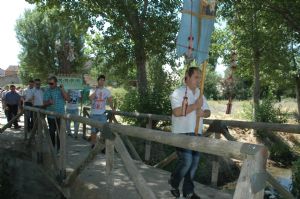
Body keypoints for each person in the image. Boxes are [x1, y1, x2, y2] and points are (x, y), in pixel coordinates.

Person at [169, 67, 211, 199]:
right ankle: (174, 182)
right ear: (187, 76)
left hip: (196, 133)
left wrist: (203, 113)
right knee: (187, 161)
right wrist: (195, 106)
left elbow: (208, 112)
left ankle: (188, 192)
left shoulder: (200, 93)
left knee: (194, 163)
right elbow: (176, 112)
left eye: (200, 77)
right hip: (181, 132)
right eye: (196, 77)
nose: (199, 80)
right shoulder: (178, 92)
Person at [43, 76, 69, 152]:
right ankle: (52, 147)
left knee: (59, 133)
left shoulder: (60, 89)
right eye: (49, 83)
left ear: (56, 83)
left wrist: (62, 89)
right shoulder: (47, 91)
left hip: (60, 115)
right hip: (50, 116)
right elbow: (44, 103)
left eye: (51, 83)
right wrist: (49, 102)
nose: (50, 85)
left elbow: (68, 99)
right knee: (51, 131)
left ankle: (58, 149)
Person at [89, 75, 115, 148]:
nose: (102, 81)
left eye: (103, 80)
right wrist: (96, 90)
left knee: (104, 130)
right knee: (93, 131)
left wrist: (113, 109)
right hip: (93, 113)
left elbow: (110, 101)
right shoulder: (93, 89)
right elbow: (90, 98)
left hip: (102, 113)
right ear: (98, 81)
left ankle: (103, 147)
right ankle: (93, 145)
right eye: (100, 80)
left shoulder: (107, 91)